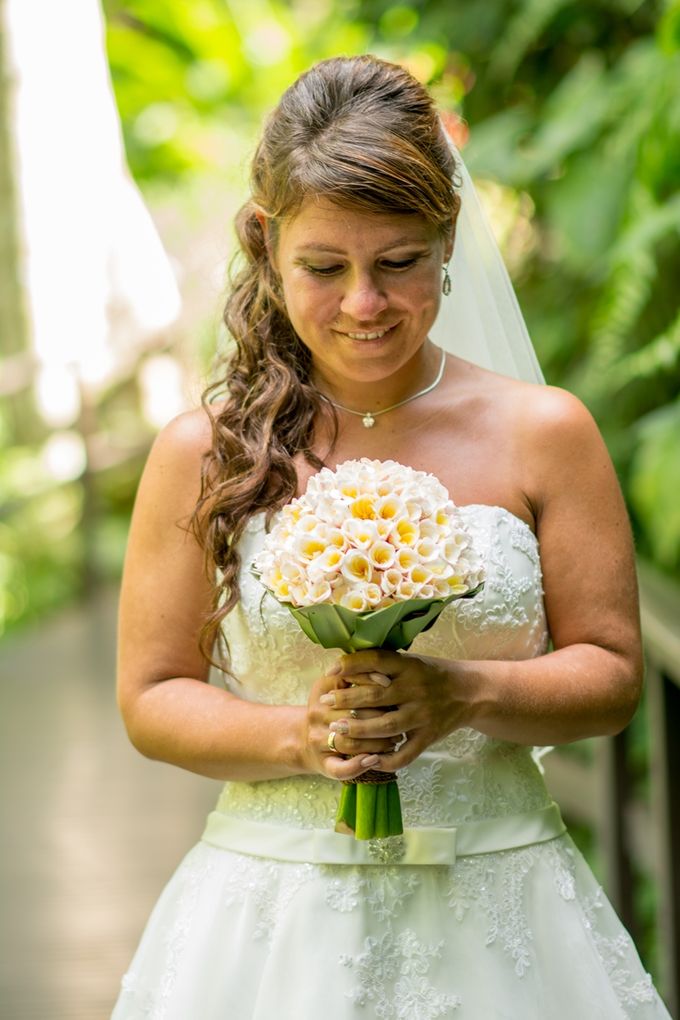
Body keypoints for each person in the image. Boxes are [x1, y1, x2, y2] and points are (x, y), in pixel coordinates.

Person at [111, 55, 671, 1019]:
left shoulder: (546, 432)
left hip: (502, 902)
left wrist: (463, 692)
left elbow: (615, 673)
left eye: (399, 264)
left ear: (447, 236)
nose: (365, 305)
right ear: (266, 244)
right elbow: (151, 695)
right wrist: (299, 735)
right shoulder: (203, 451)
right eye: (324, 269)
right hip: (270, 922)